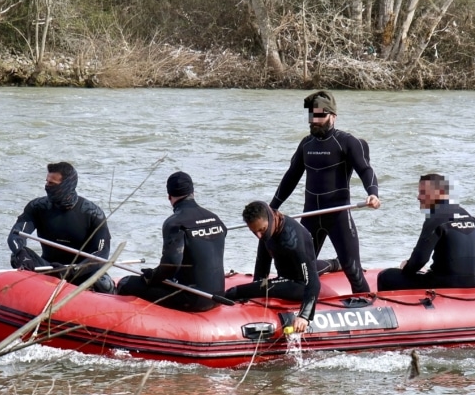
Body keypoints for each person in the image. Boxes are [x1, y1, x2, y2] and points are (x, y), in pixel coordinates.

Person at [270, 90, 380, 294]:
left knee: (354, 272)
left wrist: (373, 193)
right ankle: (330, 265)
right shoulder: (306, 144)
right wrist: (272, 207)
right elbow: (290, 177)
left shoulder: (347, 142)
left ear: (333, 117)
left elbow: (365, 169)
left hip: (338, 216)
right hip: (311, 215)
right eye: (312, 116)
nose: (314, 120)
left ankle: (366, 304)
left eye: (320, 115)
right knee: (297, 270)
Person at [116, 172, 227, 313]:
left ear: (169, 197)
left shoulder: (175, 223)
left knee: (127, 283)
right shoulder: (215, 219)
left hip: (192, 299)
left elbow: (171, 264)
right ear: (193, 192)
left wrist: (151, 277)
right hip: (217, 296)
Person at [224, 201, 341, 333]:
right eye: (254, 231)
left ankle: (336, 264)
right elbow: (262, 264)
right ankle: (335, 264)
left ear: (270, 217)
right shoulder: (267, 229)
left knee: (235, 291)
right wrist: (256, 288)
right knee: (312, 266)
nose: (259, 235)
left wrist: (304, 316)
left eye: (261, 230)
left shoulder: (292, 240)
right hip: (295, 269)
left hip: (298, 284)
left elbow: (313, 282)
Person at [7, 162, 115, 294]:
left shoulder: (92, 213)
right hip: (49, 268)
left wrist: (72, 270)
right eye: (46, 182)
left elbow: (101, 253)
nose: (47, 187)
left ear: (67, 185)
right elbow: (16, 235)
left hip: (79, 271)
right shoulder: (37, 207)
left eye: (52, 184)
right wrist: (21, 253)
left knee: (103, 284)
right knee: (16, 256)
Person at [377, 173, 475, 291]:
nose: (419, 197)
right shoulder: (468, 216)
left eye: (423, 193)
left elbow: (420, 259)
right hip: (468, 283)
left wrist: (406, 268)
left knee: (386, 276)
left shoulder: (436, 218)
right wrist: (465, 273)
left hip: (441, 284)